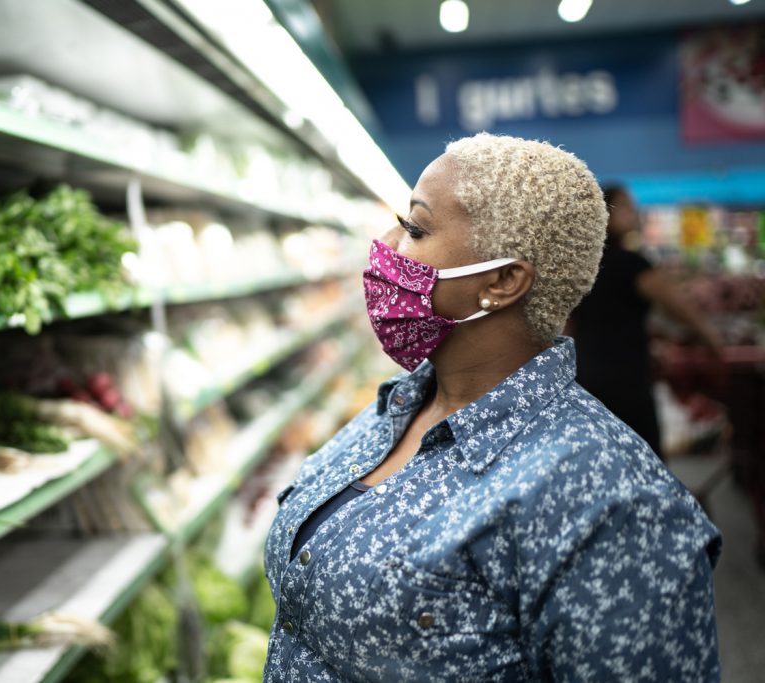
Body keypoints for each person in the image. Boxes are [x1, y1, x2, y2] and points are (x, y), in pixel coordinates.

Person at [263, 133, 721, 682]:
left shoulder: (611, 500)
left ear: (503, 281)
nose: (384, 244)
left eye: (415, 228)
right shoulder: (399, 404)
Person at [571, 184, 723, 457]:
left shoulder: (579, 265)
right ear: (604, 214)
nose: (634, 212)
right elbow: (678, 306)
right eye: (625, 207)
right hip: (626, 374)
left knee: (603, 454)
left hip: (587, 373)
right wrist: (711, 338)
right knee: (644, 453)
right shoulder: (631, 264)